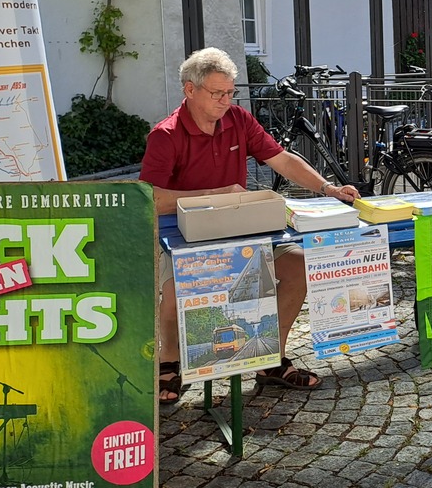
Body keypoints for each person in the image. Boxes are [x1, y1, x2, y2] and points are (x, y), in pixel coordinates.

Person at [141, 47, 360, 404]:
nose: (225, 100)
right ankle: (169, 361)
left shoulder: (239, 120)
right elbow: (150, 198)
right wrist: (215, 193)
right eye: (217, 93)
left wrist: (328, 188)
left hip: (245, 229)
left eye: (230, 92)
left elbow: (282, 160)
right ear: (190, 90)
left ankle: (271, 360)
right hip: (183, 235)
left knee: (300, 267)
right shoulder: (165, 135)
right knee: (176, 288)